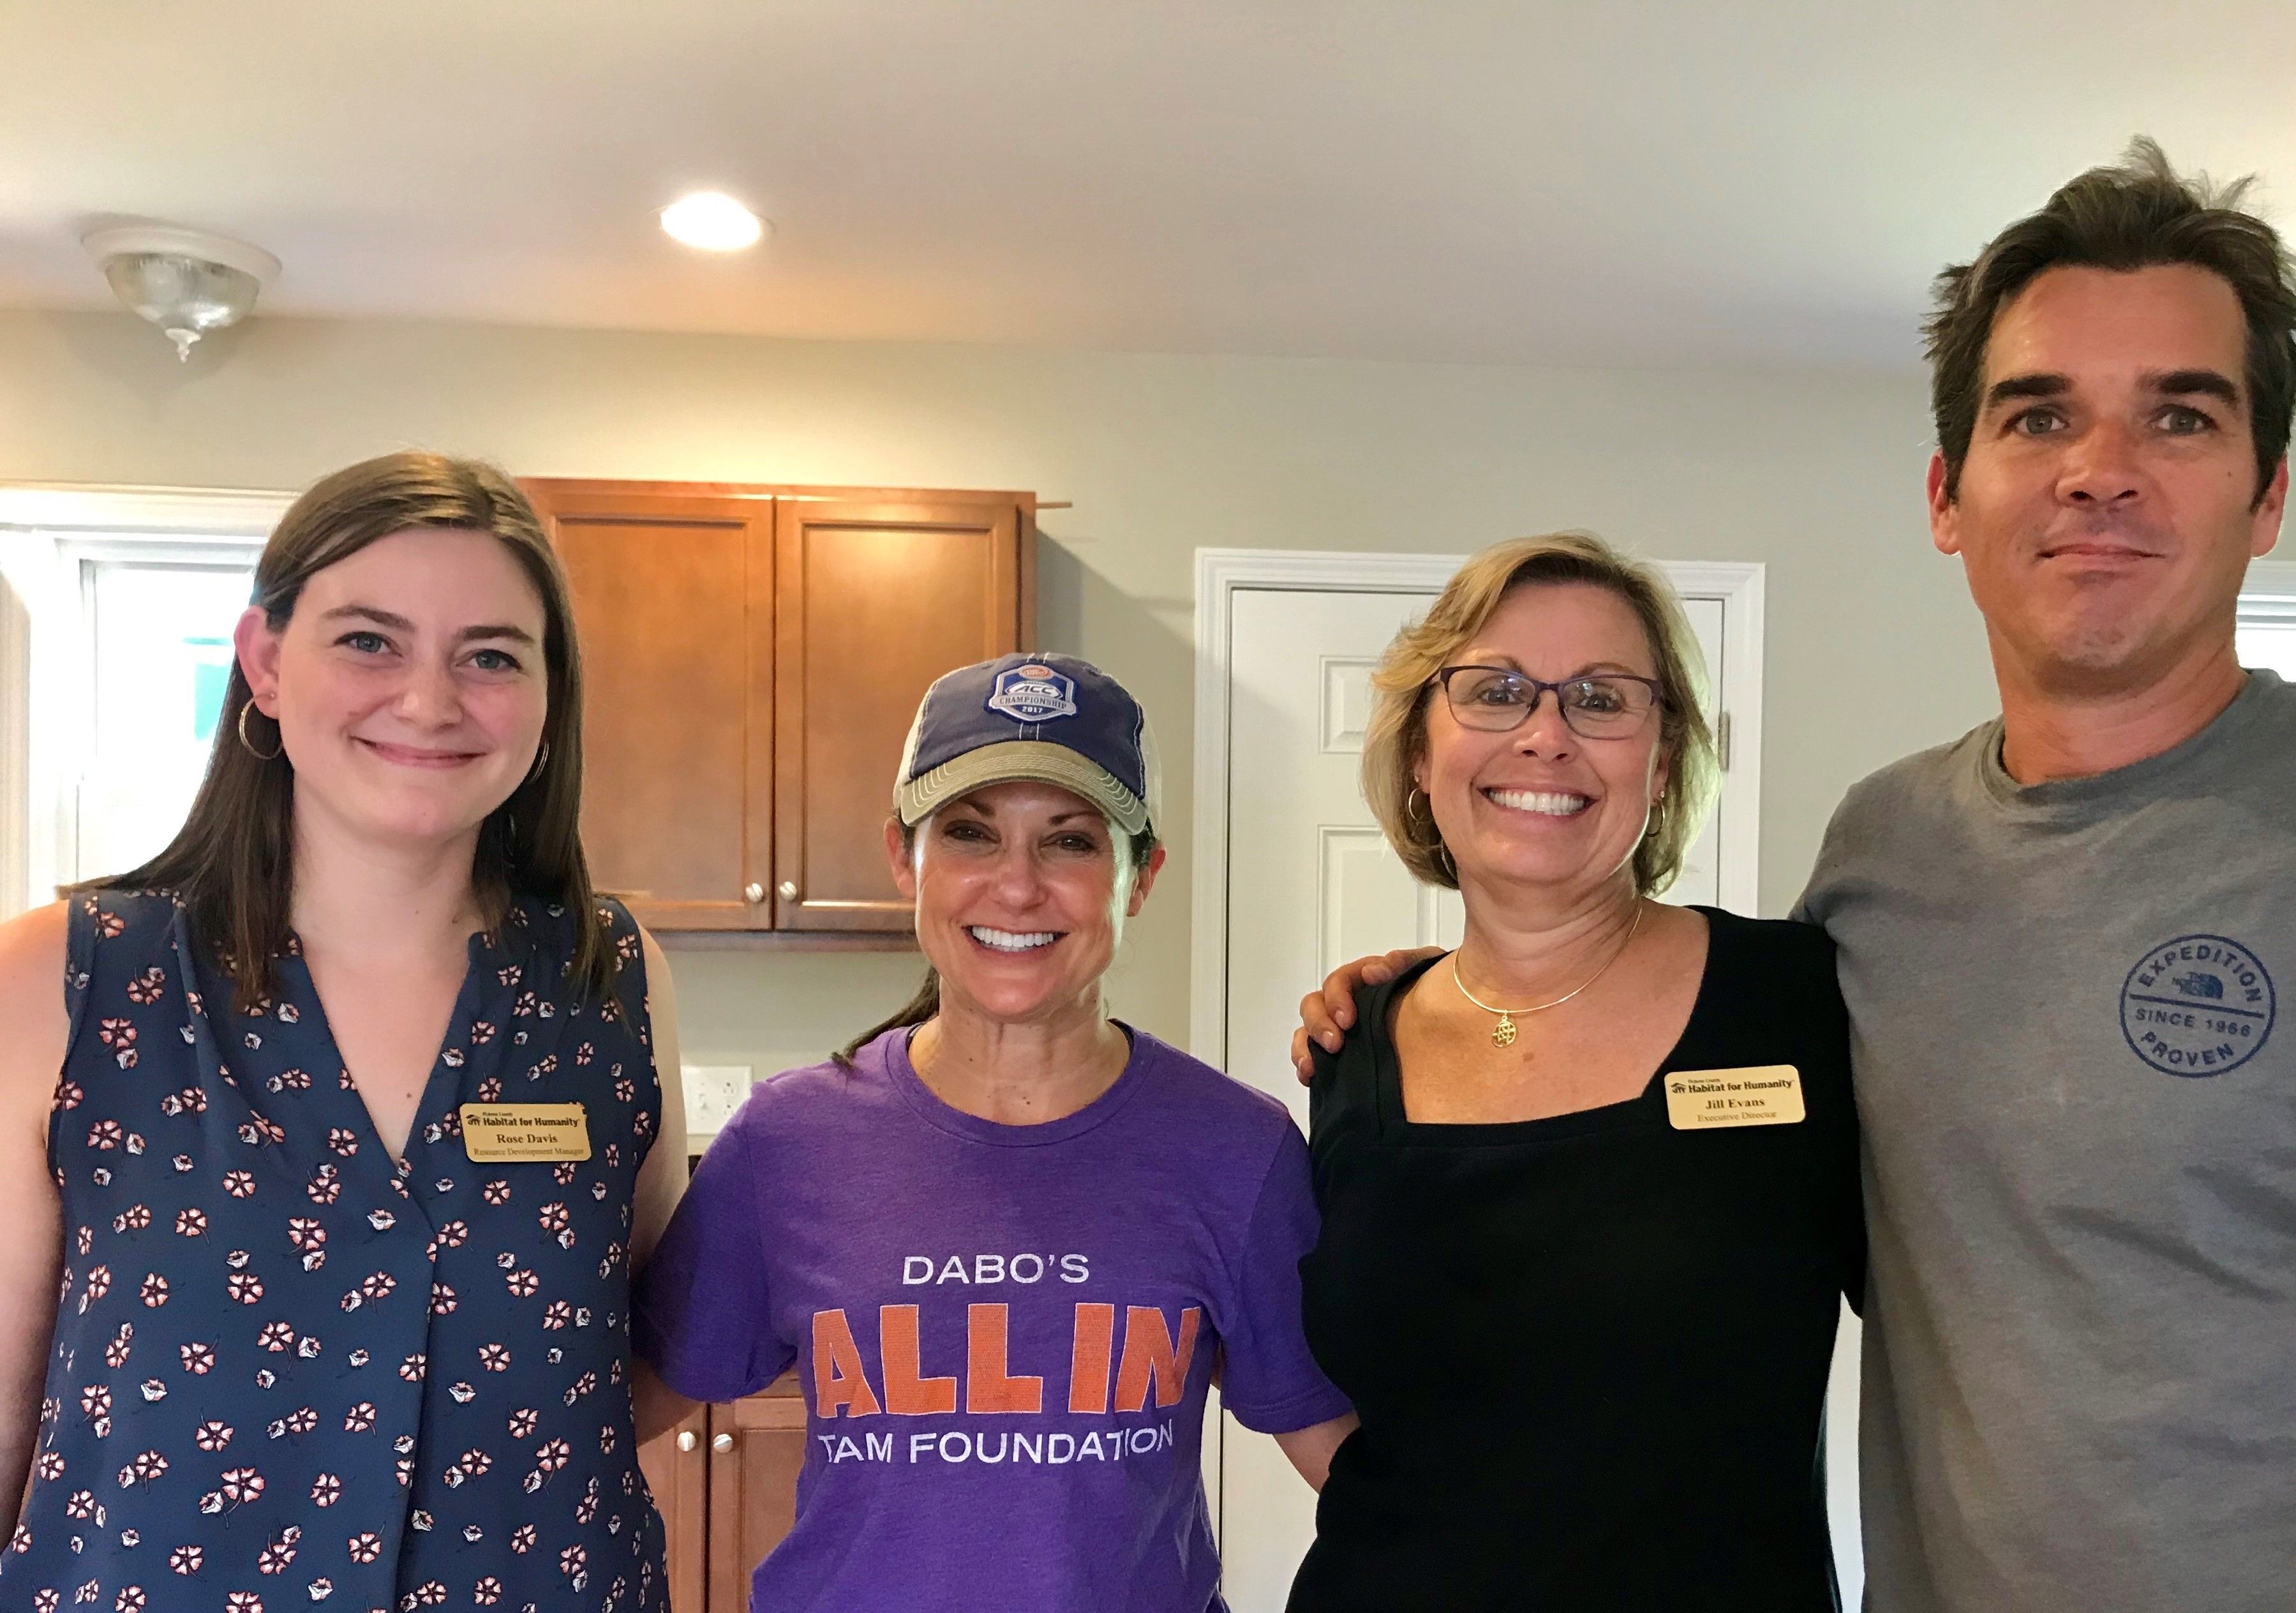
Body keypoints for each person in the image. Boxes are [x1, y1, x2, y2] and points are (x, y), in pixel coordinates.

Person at [1304, 144, 2296, 1610]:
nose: (2101, 468)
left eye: (2180, 414)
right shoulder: (1885, 858)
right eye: (2038, 415)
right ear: (1948, 493)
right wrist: (1419, 1004)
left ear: (2267, 493)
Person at [0, 452, 690, 1613]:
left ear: (547, 695)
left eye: (490, 656)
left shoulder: (608, 980)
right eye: (370, 640)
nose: (429, 700)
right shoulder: (65, 978)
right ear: (266, 663)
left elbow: (645, 1351)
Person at [634, 653, 1355, 1613]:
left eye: (1070, 842)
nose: (1017, 888)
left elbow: (1353, 1470)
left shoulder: (1235, 1150)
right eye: (970, 834)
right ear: (903, 858)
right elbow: (618, 1411)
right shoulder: (788, 1144)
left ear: (1140, 878)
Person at [1286, 535, 1863, 1610]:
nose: (1547, 735)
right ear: (1420, 751)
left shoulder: (1803, 1001)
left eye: (1601, 698)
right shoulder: (1355, 1045)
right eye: (1496, 691)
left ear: (1663, 756)